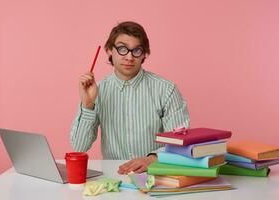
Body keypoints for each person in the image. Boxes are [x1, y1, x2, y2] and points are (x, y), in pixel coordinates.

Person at [70, 21, 190, 174]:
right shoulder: (97, 90)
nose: (129, 57)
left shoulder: (166, 90)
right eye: (122, 49)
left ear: (144, 54)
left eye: (137, 50)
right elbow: (79, 147)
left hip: (154, 174)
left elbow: (179, 143)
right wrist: (87, 105)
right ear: (109, 51)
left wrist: (152, 159)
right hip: (114, 177)